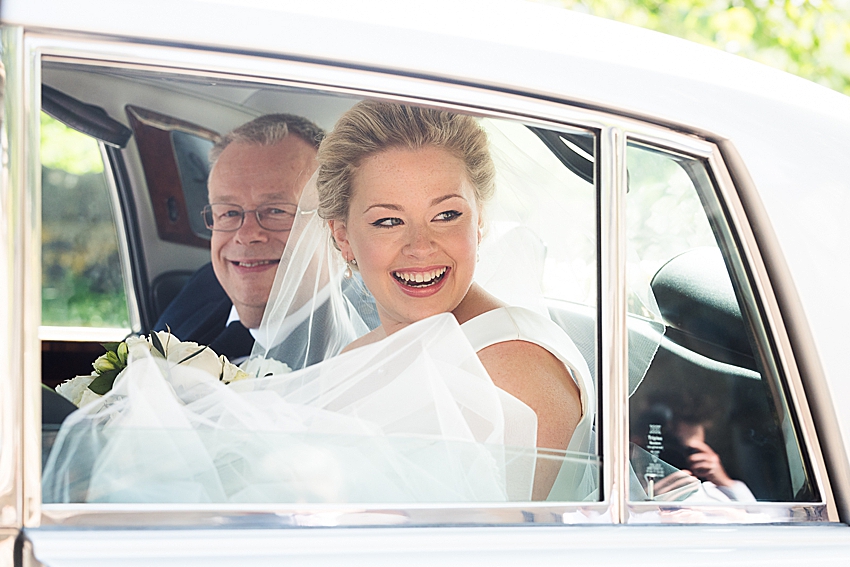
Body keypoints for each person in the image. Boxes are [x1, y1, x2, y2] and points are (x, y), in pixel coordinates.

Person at [43, 102, 596, 504]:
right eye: (387, 220)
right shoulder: (366, 346)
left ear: (481, 222)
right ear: (343, 238)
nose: (421, 245)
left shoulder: (513, 366)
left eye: (447, 215)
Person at [153, 113, 325, 362]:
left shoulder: (363, 352)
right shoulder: (206, 283)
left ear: (335, 224)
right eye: (229, 212)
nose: (246, 235)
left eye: (276, 211)